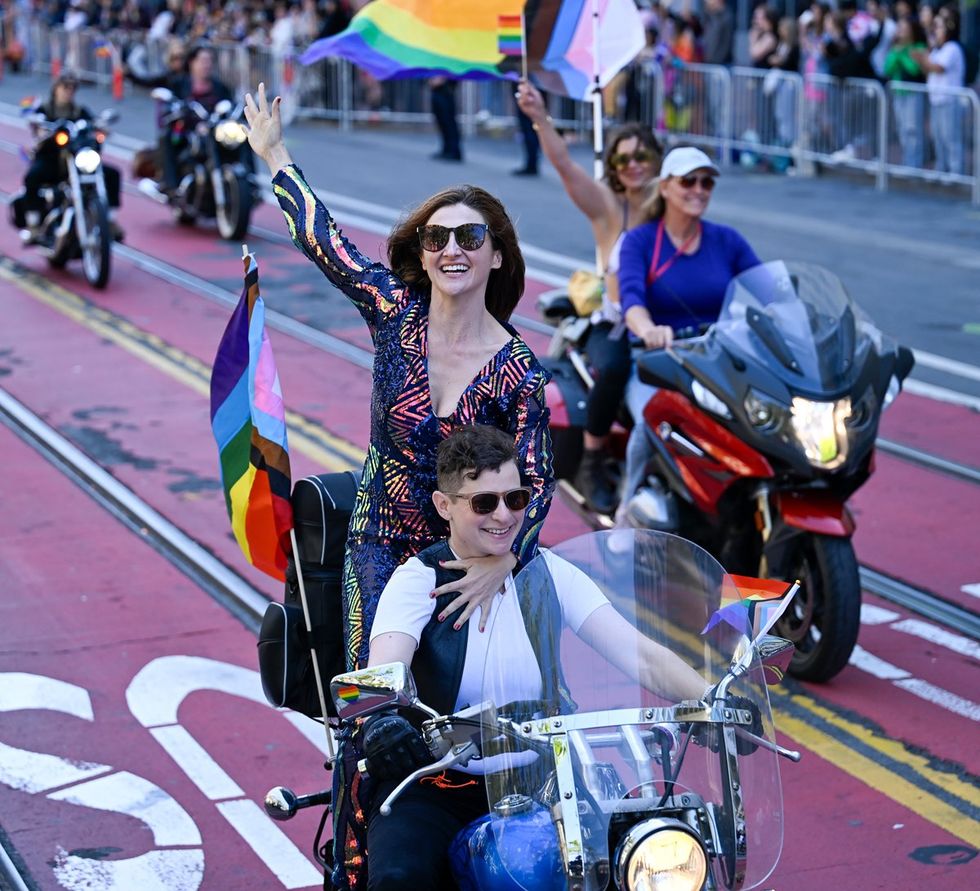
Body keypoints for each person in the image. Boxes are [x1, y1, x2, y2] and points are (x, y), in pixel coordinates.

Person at [244, 82, 554, 672]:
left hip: (465, 557)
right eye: (437, 238)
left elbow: (536, 480)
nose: (452, 250)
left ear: (497, 255)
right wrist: (276, 156)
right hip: (378, 543)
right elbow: (326, 244)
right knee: (377, 706)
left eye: (470, 236)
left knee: (469, 717)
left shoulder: (520, 373)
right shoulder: (394, 310)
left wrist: (505, 558)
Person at [363, 424, 710, 888]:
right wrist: (383, 720)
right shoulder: (417, 580)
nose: (503, 515)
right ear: (444, 506)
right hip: (440, 783)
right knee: (399, 877)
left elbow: (640, 654)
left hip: (549, 778)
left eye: (516, 499)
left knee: (650, 859)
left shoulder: (548, 572)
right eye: (483, 502)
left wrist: (715, 699)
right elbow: (384, 668)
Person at [516, 80, 663, 514]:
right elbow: (563, 164)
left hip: (669, 322)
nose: (633, 165)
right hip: (615, 320)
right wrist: (540, 116)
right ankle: (595, 459)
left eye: (642, 156)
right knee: (615, 366)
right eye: (623, 157)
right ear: (613, 165)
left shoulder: (667, 203)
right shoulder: (606, 204)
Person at [616, 146, 761, 524]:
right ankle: (624, 512)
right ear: (665, 187)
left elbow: (767, 293)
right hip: (661, 362)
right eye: (689, 181)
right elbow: (631, 299)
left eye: (707, 181)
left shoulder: (727, 240)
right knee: (653, 419)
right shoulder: (641, 241)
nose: (699, 189)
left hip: (722, 361)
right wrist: (648, 330)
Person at [19, 72, 123, 242]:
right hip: (51, 160)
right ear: (56, 88)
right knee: (32, 177)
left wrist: (101, 128)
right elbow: (34, 124)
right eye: (65, 87)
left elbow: (95, 123)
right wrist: (40, 129)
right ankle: (33, 224)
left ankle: (109, 221)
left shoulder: (80, 111)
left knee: (112, 174)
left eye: (72, 88)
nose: (69, 91)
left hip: (76, 160)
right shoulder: (45, 109)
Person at [158, 45, 235, 195]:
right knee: (166, 137)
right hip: (188, 131)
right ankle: (170, 185)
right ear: (192, 62)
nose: (207, 65)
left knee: (242, 138)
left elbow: (231, 106)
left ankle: (250, 182)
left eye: (210, 61)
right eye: (203, 60)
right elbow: (169, 106)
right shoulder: (179, 84)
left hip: (216, 131)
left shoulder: (221, 87)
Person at [913, 8, 966, 175]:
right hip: (936, 100)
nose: (935, 31)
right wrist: (922, 59)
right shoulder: (936, 49)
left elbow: (938, 68)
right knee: (938, 137)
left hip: (950, 101)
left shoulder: (952, 48)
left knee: (951, 138)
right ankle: (941, 170)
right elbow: (926, 70)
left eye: (939, 27)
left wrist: (922, 57)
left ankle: (956, 172)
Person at [884, 15, 928, 169]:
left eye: (903, 29)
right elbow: (887, 68)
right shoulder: (895, 48)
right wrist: (897, 53)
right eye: (899, 28)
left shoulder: (919, 47)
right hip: (898, 94)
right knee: (902, 129)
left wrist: (901, 54)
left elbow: (913, 69)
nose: (900, 32)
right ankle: (907, 162)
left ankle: (915, 164)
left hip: (913, 94)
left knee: (913, 130)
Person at [429, 76, 463, 162]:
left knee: (449, 124)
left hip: (445, 93)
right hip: (439, 93)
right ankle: (447, 149)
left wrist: (441, 80)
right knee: (443, 124)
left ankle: (453, 151)